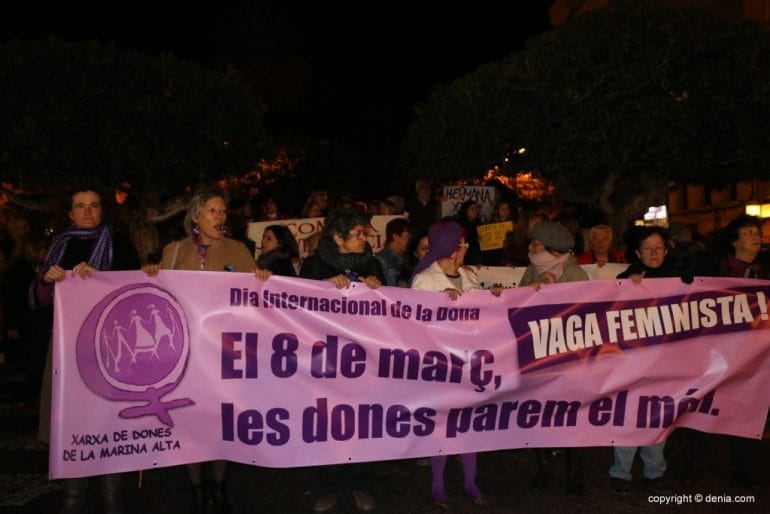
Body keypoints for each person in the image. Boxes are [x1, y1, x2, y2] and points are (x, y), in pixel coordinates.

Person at [144, 187, 256, 514]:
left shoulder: (239, 250)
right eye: (212, 211)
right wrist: (153, 276)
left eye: (223, 211)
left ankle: (219, 487)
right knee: (191, 423)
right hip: (187, 355)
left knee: (221, 422)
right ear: (195, 216)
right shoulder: (174, 252)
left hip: (225, 354)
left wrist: (262, 278)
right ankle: (197, 488)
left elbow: (256, 300)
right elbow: (159, 299)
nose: (220, 217)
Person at [30, 185, 140, 514]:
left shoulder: (119, 244)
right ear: (70, 212)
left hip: (112, 352)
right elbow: (40, 301)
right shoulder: (59, 245)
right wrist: (47, 280)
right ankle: (73, 497)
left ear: (102, 211)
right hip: (67, 352)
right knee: (71, 422)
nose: (88, 211)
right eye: (81, 206)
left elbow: (134, 289)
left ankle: (112, 497)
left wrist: (102, 279)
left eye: (94, 205)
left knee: (108, 420)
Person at [410, 220, 501, 508]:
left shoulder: (468, 275)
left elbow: (484, 315)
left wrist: (495, 295)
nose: (465, 250)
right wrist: (440, 303)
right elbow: (414, 324)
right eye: (463, 244)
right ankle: (438, 485)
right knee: (443, 427)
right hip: (441, 366)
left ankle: (471, 482)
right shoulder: (425, 280)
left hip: (471, 364)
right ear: (453, 248)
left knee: (468, 425)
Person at [299, 207, 383, 512]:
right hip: (325, 362)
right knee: (326, 423)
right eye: (358, 234)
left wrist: (376, 288)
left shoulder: (372, 263)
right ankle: (330, 485)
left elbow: (387, 311)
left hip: (364, 361)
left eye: (365, 233)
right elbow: (300, 309)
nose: (365, 238)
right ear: (337, 238)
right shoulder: (314, 266)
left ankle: (359, 481)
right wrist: (322, 289)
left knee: (364, 421)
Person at [609, 226, 682, 496]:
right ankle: (621, 472)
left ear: (666, 250)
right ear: (638, 253)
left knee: (659, 417)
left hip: (666, 363)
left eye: (658, 248)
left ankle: (655, 472)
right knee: (629, 416)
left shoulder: (682, 279)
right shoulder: (624, 278)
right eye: (648, 248)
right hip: (632, 363)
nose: (654, 253)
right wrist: (629, 286)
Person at [519, 221, 588, 496]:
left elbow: (581, 315)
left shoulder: (575, 274)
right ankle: (545, 467)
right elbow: (518, 306)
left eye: (536, 244)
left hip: (568, 360)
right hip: (538, 357)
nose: (531, 248)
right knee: (540, 415)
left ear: (552, 249)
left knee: (572, 417)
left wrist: (552, 290)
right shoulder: (532, 270)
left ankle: (575, 476)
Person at [375, 218, 412, 287]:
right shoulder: (380, 260)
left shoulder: (410, 257)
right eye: (407, 236)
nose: (410, 240)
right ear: (395, 236)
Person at [454, 200, 482, 265]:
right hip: (463, 257)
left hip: (476, 258)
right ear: (465, 210)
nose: (475, 211)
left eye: (476, 208)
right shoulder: (459, 224)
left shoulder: (480, 225)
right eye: (472, 208)